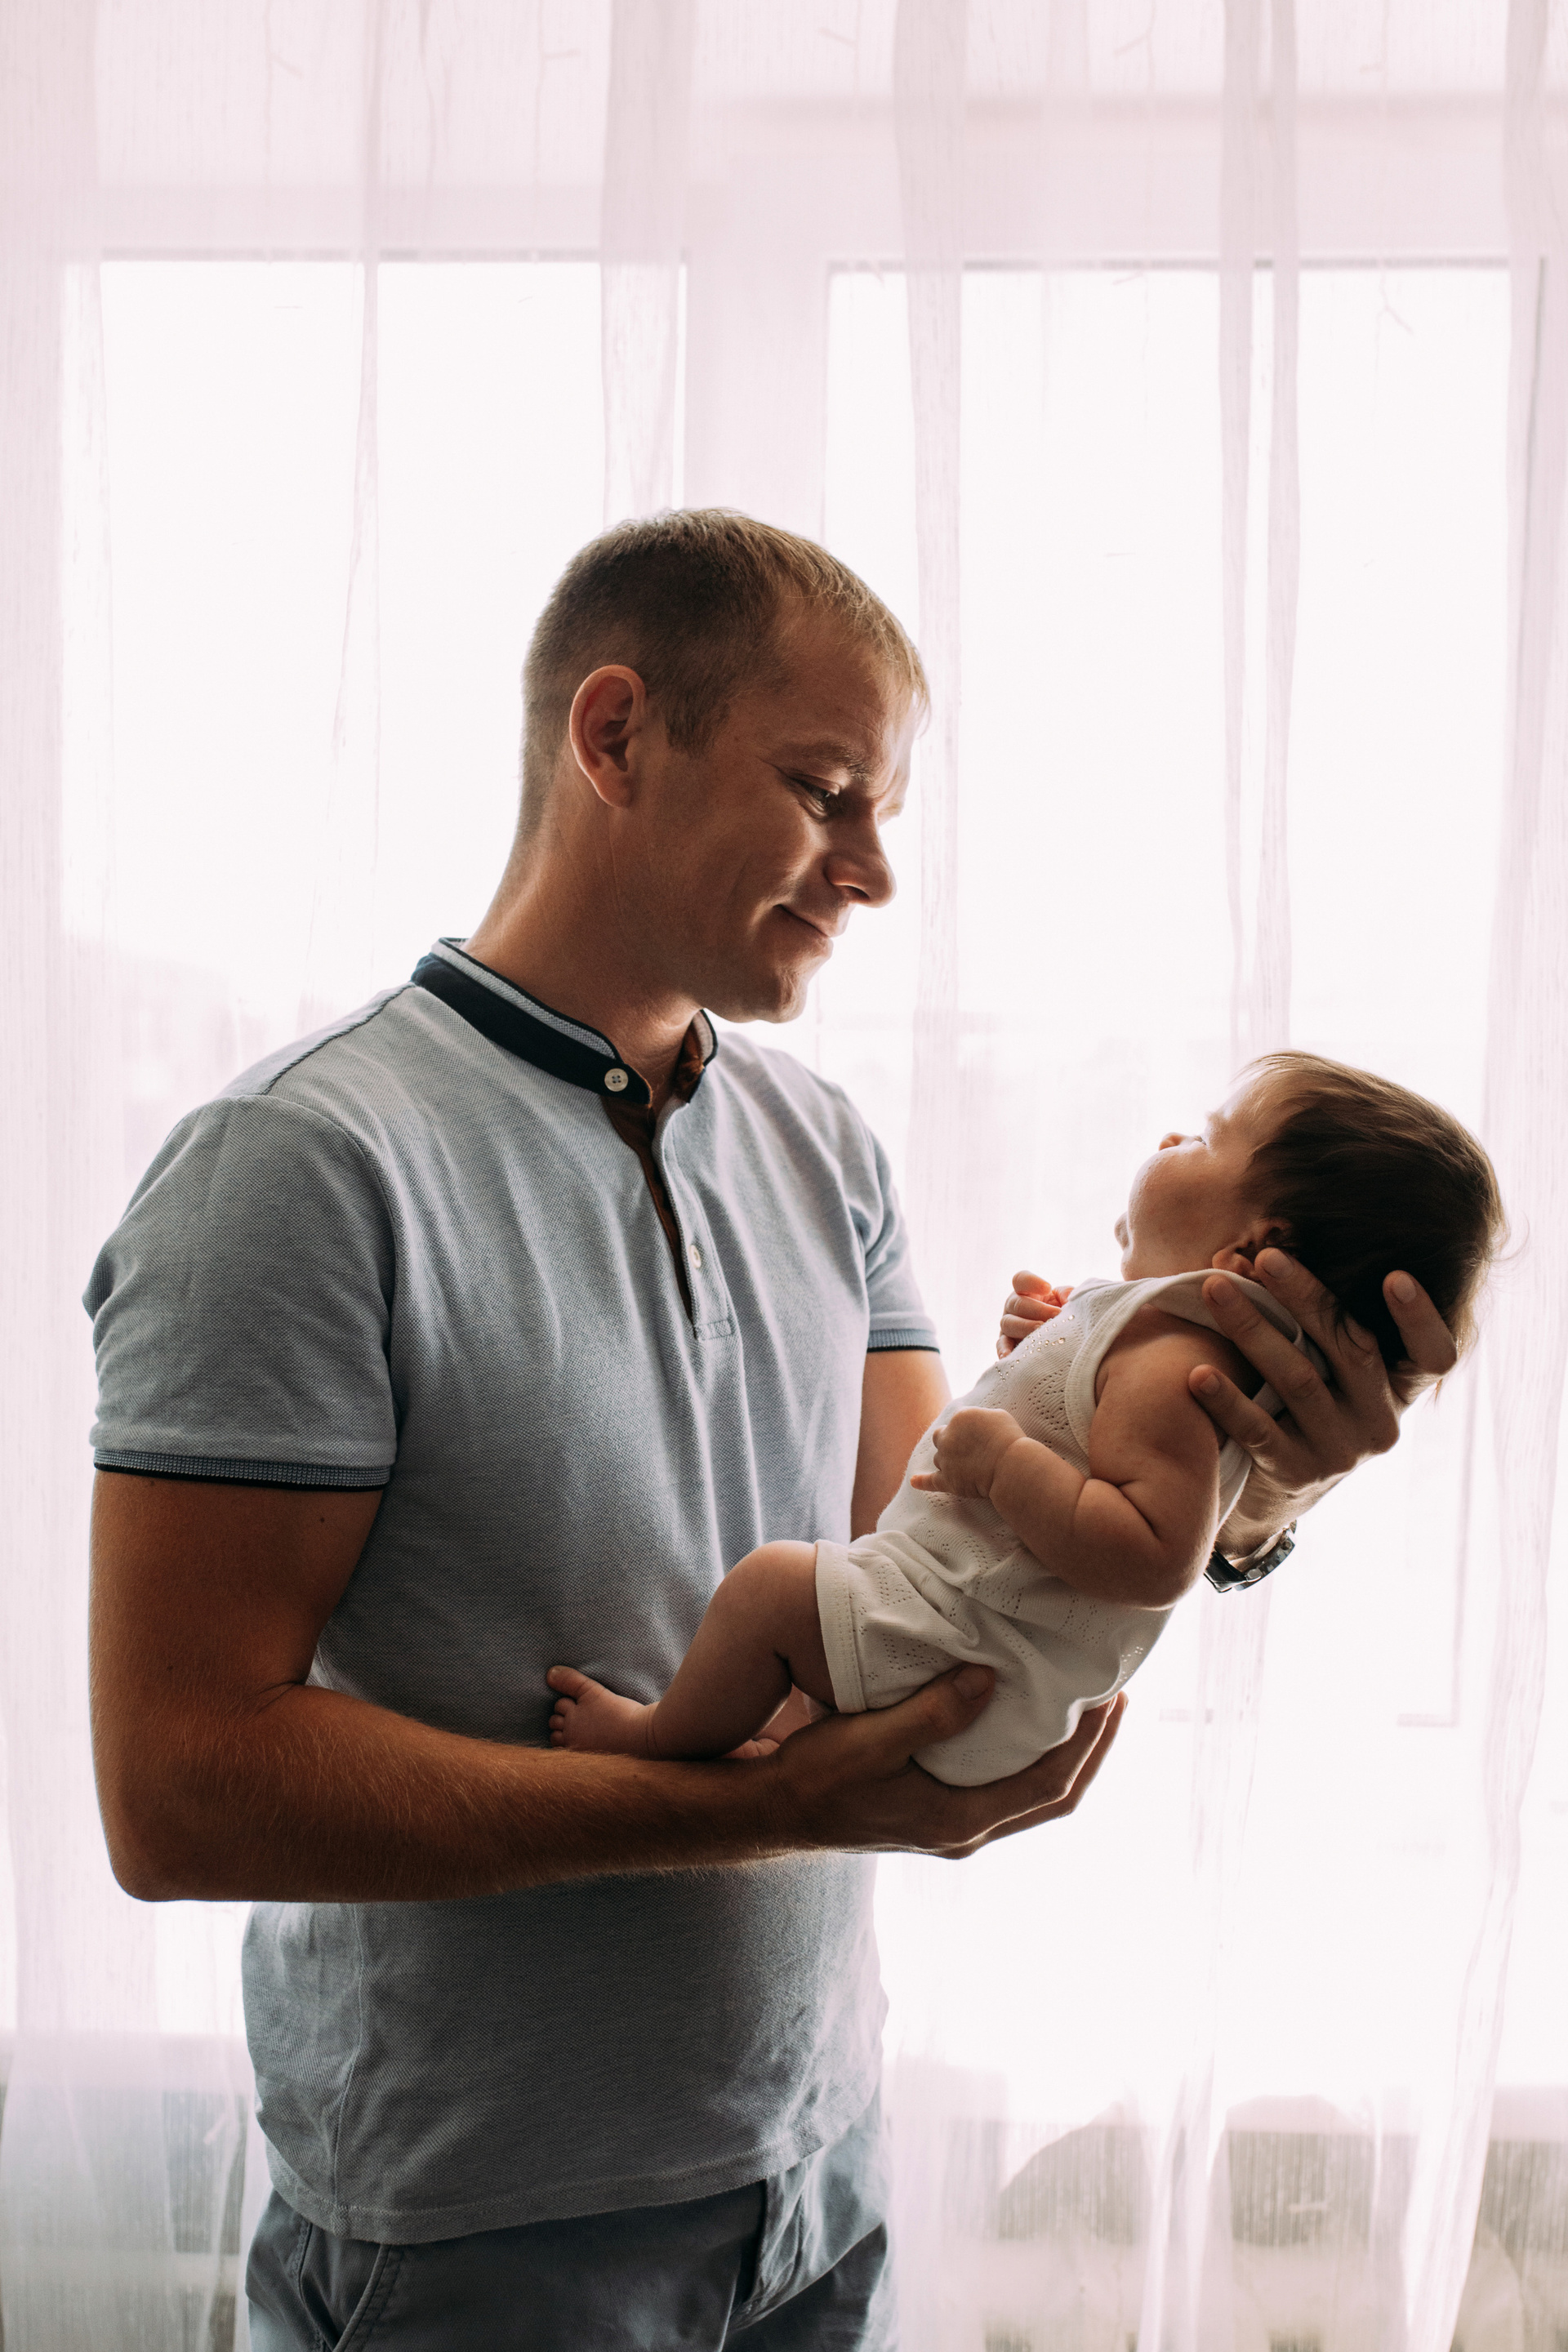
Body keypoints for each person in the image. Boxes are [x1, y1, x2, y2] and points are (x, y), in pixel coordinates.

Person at [85, 512, 1459, 2350]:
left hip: (817, 2187)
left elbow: (950, 1563)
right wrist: (749, 1810)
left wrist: (1266, 1487)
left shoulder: (829, 1150)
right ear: (615, 737)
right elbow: (179, 1790)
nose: (874, 872)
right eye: (827, 794)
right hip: (481, 2235)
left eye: (886, 811)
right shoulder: (298, 1170)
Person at [548, 1052, 1502, 1788]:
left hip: (964, 1648)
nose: (1173, 1137)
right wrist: (1051, 1368)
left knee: (769, 1591)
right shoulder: (1168, 1350)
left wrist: (1005, 1460)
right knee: (801, 1611)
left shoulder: (1176, 1366)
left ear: (1256, 1244)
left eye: (1208, 1140)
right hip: (969, 1640)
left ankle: (655, 1739)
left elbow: (1153, 1557)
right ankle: (779, 1719)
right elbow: (1086, 1465)